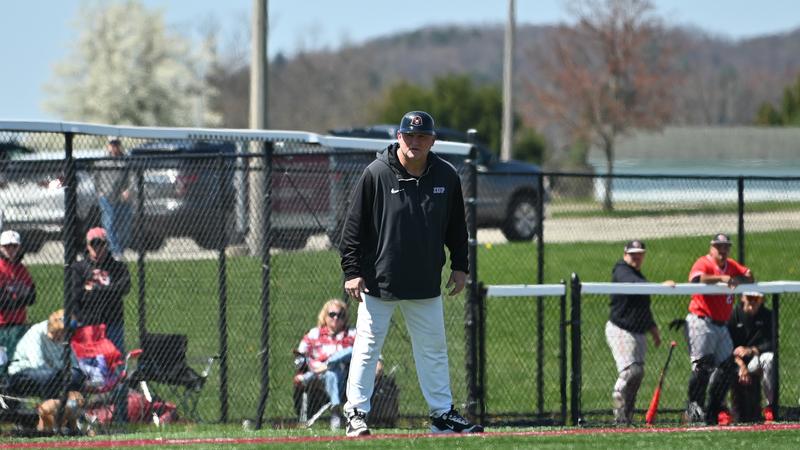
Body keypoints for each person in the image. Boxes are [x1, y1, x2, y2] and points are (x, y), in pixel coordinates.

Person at [339, 110, 482, 437]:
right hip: (379, 281)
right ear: (398, 137)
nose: (415, 142)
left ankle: (441, 416)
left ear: (432, 140)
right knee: (366, 349)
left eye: (422, 137)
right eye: (409, 136)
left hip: (425, 283)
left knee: (433, 349)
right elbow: (352, 229)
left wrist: (460, 266)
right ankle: (356, 415)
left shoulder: (447, 177)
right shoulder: (375, 174)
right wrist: (352, 270)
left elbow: (458, 229)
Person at [684, 233, 753, 425]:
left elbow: (749, 276)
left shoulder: (731, 265)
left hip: (721, 325)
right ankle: (694, 408)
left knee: (728, 367)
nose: (722, 251)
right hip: (702, 321)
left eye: (725, 247)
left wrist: (738, 279)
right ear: (711, 248)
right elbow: (696, 280)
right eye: (718, 247)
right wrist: (722, 278)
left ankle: (713, 410)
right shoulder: (704, 263)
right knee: (703, 367)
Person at [605, 239, 675, 425]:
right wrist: (659, 287)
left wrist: (653, 330)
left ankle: (627, 416)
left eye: (639, 253)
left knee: (638, 373)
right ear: (625, 254)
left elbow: (643, 307)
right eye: (632, 253)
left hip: (637, 331)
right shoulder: (621, 270)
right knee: (630, 371)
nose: (636, 256)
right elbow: (633, 285)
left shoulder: (638, 274)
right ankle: (619, 412)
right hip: (621, 328)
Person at [294, 299, 356, 430]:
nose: (336, 318)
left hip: (345, 375)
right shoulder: (314, 333)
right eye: (332, 314)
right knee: (331, 373)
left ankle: (328, 365)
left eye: (340, 315)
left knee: (348, 354)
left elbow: (368, 353)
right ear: (325, 316)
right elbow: (300, 357)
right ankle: (335, 410)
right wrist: (308, 364)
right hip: (317, 373)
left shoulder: (352, 334)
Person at [68, 227, 131, 354]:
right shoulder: (79, 268)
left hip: (113, 321)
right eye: (93, 244)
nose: (97, 248)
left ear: (106, 244)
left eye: (100, 244)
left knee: (115, 360)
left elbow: (124, 288)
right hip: (89, 322)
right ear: (87, 245)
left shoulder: (118, 266)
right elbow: (76, 295)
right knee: (90, 361)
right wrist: (110, 290)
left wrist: (95, 289)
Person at [7, 309, 84, 401]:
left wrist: (72, 371)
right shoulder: (36, 332)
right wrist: (61, 371)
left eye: (63, 334)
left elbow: (74, 363)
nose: (59, 338)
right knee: (50, 375)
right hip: (23, 373)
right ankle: (51, 407)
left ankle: (72, 406)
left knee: (76, 374)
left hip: (55, 373)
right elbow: (37, 364)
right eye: (56, 334)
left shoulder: (65, 338)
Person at [727, 291, 774, 422]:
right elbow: (726, 347)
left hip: (756, 358)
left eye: (756, 299)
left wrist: (752, 350)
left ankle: (771, 406)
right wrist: (741, 365)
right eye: (749, 298)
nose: (753, 301)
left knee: (769, 359)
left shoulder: (767, 315)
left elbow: (772, 343)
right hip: (735, 361)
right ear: (742, 298)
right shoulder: (733, 315)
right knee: (719, 364)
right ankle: (721, 410)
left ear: (762, 299)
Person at [94, 137, 132, 259]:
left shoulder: (126, 160)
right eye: (112, 144)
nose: (114, 146)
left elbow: (133, 177)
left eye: (116, 144)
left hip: (122, 198)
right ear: (108, 146)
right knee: (109, 224)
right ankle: (115, 251)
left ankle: (120, 248)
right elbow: (96, 178)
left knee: (124, 226)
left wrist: (129, 190)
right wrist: (99, 192)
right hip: (106, 198)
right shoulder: (102, 161)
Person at [0, 230, 36, 327]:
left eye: (14, 246)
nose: (11, 250)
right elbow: (2, 302)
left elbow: (32, 298)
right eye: (7, 246)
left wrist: (11, 298)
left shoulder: (22, 269)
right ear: (0, 248)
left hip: (20, 322)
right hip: (2, 323)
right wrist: (22, 297)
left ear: (19, 248)